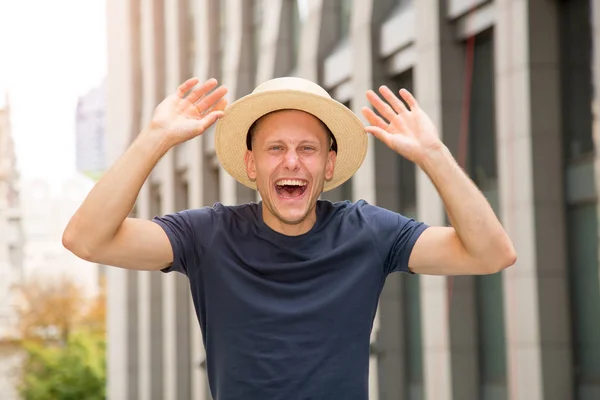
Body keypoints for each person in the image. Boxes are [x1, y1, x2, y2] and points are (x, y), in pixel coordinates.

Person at [63, 76, 516, 399]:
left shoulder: (370, 231)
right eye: (275, 148)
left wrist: (433, 153)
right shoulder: (207, 234)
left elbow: (491, 253)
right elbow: (87, 240)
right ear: (253, 165)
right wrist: (155, 137)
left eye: (308, 149)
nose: (292, 163)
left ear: (330, 167)